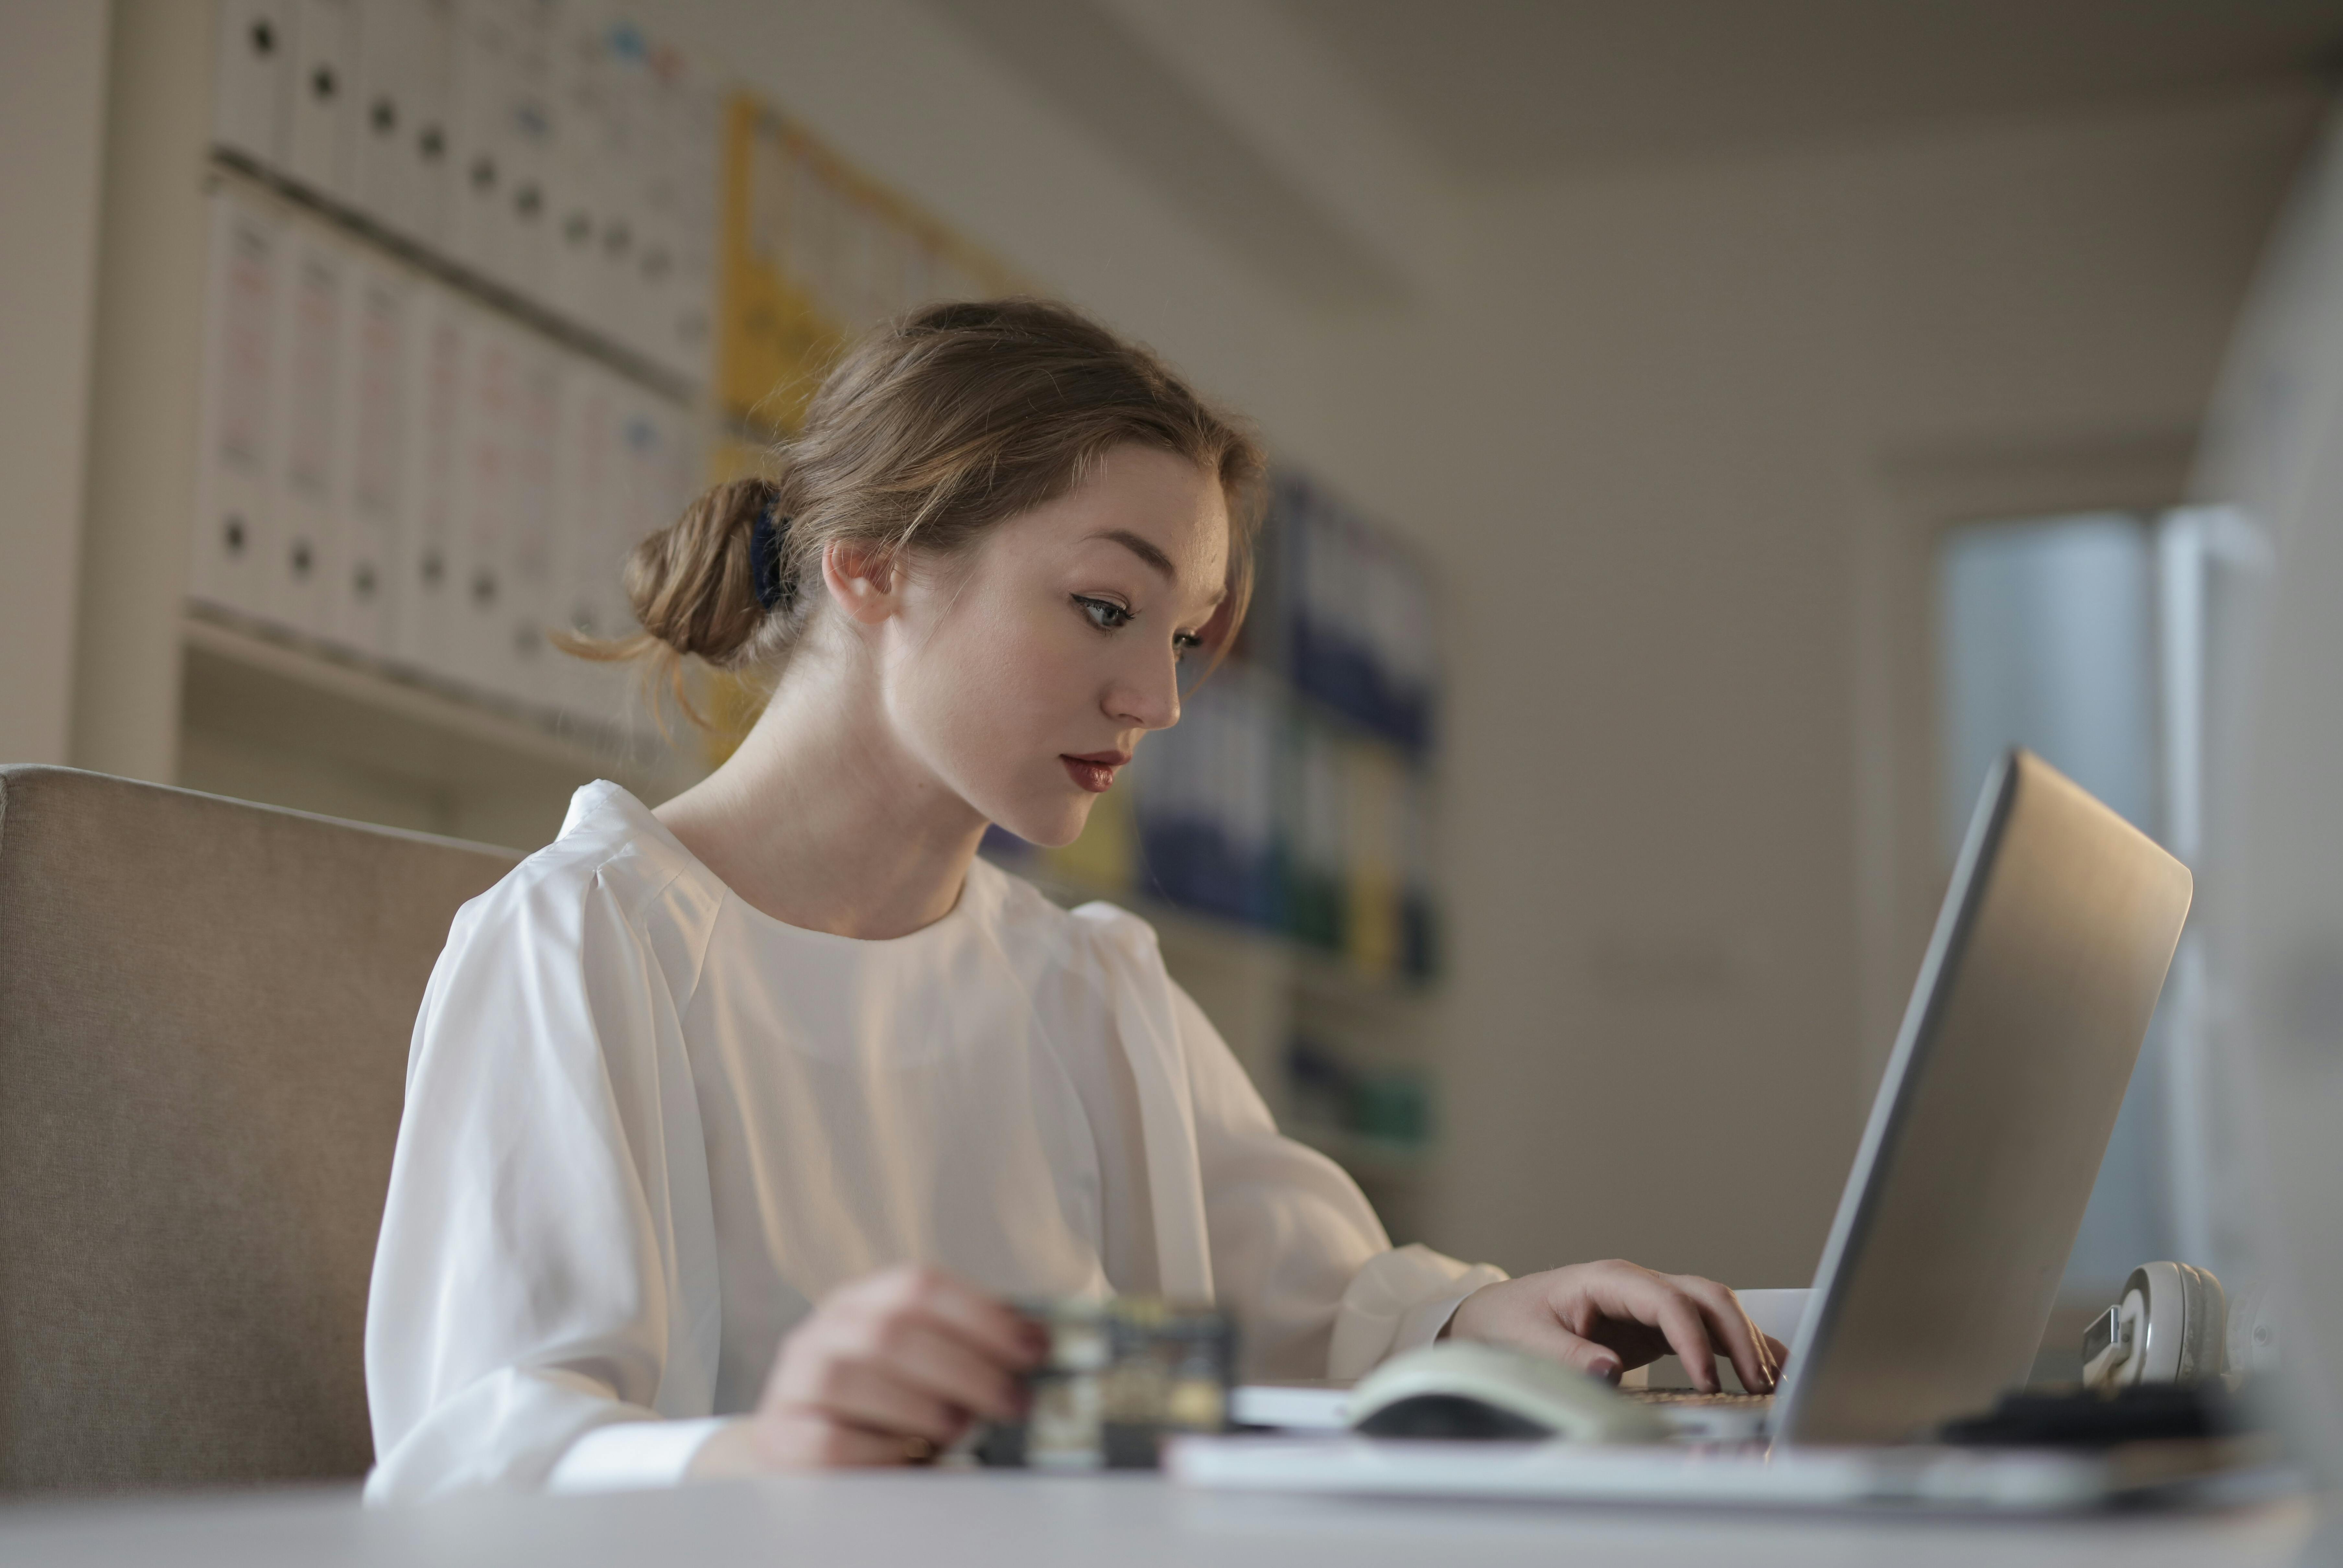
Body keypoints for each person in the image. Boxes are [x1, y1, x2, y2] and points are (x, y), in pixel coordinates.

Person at [363, 299, 1784, 1502]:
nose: (1157, 701)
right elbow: (467, 1464)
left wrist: (1487, 1316)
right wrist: (763, 1454)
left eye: (1180, 639)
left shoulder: (1085, 987)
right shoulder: (587, 941)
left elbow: (1316, 1306)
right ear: (872, 567)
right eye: (1108, 608)